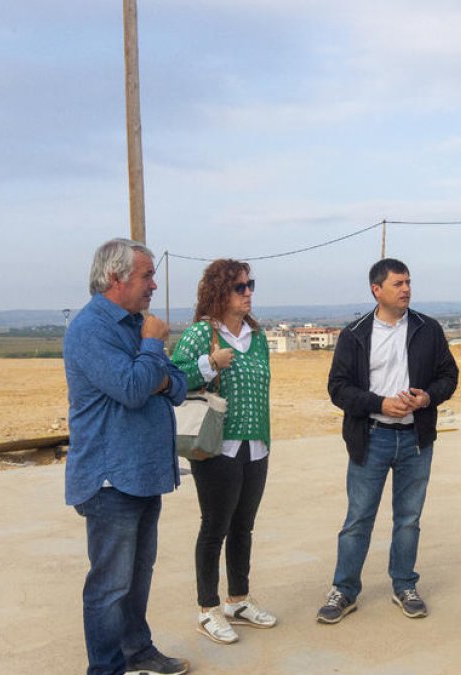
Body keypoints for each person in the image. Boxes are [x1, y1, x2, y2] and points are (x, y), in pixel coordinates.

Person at [63, 238, 190, 675]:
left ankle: (138, 651)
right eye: (147, 276)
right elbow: (135, 389)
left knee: (137, 578)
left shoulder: (137, 324)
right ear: (116, 278)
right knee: (109, 586)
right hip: (110, 479)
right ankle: (106, 669)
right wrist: (152, 350)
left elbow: (176, 385)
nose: (154, 284)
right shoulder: (91, 329)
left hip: (143, 473)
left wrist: (150, 365)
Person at [317, 258, 459, 624]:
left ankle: (404, 585)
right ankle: (344, 590)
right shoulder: (355, 334)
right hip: (372, 437)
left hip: (416, 439)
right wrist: (379, 404)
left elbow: (449, 375)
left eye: (409, 282)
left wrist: (427, 397)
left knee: (409, 519)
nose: (406, 289)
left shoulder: (428, 328)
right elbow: (338, 388)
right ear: (376, 290)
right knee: (358, 519)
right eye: (398, 283)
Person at [171, 260, 277, 645]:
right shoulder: (202, 334)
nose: (248, 292)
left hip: (256, 445)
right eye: (239, 287)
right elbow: (175, 379)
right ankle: (207, 609)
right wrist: (209, 363)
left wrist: (263, 440)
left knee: (243, 526)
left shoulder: (257, 336)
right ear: (219, 292)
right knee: (215, 526)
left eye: (251, 285)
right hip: (217, 446)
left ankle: (238, 600)